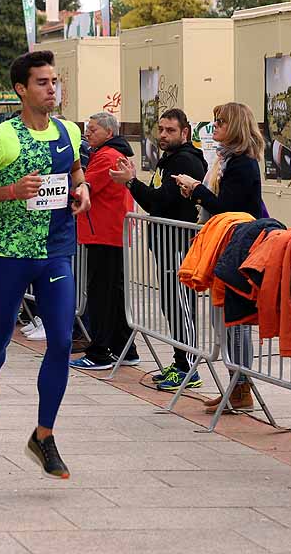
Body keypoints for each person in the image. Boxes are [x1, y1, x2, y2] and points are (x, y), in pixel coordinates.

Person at [0, 49, 90, 479]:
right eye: (43, 83)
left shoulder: (69, 130)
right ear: (21, 90)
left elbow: (76, 173)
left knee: (62, 343)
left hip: (57, 251)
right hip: (10, 254)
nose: (53, 90)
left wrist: (82, 192)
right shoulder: (0, 138)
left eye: (55, 82)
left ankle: (44, 435)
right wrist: (7, 192)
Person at [172, 101, 266, 412]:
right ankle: (235, 382)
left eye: (221, 123)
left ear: (235, 127)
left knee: (232, 318)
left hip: (236, 244)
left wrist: (197, 187)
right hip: (224, 242)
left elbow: (230, 208)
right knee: (222, 318)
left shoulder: (242, 164)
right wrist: (198, 192)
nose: (215, 128)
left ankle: (241, 385)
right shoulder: (226, 161)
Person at [110, 108, 208, 390]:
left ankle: (188, 366)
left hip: (179, 244)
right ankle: (179, 360)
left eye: (170, 130)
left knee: (180, 304)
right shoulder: (169, 160)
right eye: (161, 129)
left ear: (185, 133)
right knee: (170, 303)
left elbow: (157, 202)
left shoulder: (186, 161)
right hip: (165, 243)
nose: (163, 135)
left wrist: (130, 181)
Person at [70, 113, 138, 371]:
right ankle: (125, 348)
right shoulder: (111, 154)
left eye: (93, 129)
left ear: (109, 133)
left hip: (104, 232)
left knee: (101, 293)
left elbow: (85, 188)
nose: (88, 133)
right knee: (113, 292)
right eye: (87, 129)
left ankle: (100, 351)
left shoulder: (106, 157)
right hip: (110, 231)